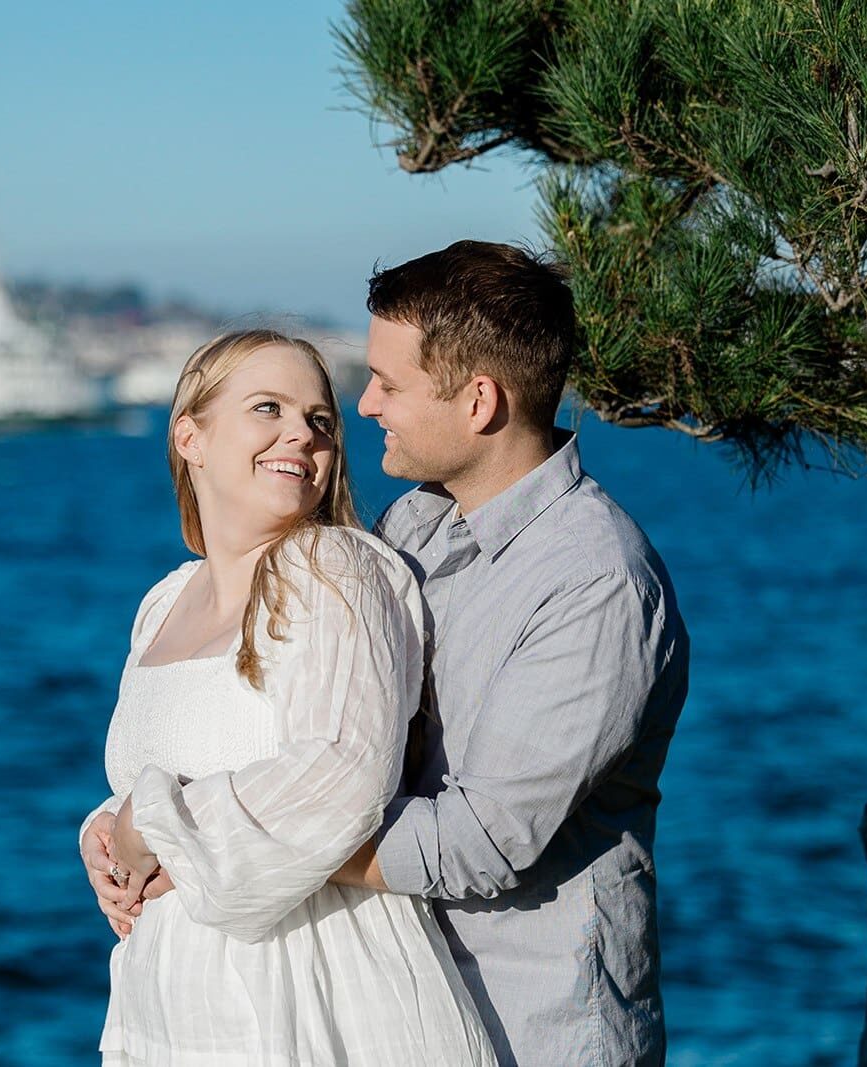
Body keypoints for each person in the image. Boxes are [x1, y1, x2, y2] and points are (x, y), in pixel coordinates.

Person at [78, 329, 496, 1066]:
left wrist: (153, 822)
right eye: (268, 407)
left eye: (320, 420)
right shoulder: (164, 602)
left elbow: (345, 772)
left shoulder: (333, 567)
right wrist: (106, 832)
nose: (302, 434)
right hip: (173, 1007)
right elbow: (174, 766)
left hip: (314, 1001)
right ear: (190, 437)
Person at [325, 240, 690, 1066]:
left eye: (389, 383)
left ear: (479, 400)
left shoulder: (596, 582)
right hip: (402, 1009)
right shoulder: (412, 525)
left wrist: (252, 845)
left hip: (533, 1030)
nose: (366, 404)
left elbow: (479, 841)